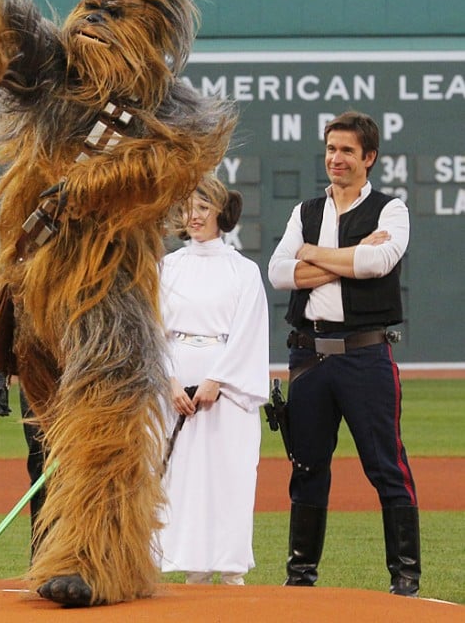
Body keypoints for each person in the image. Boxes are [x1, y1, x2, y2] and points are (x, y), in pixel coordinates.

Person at [267, 110, 420, 597]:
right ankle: (300, 577)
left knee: (385, 465)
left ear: (368, 158)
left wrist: (311, 254)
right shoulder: (305, 211)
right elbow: (277, 273)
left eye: (347, 150)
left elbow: (377, 263)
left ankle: (406, 576)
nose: (336, 158)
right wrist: (345, 260)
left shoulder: (391, 210)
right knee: (307, 467)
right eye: (331, 149)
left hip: (365, 355)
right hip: (310, 358)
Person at [157, 173, 269, 586]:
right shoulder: (167, 267)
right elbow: (154, 330)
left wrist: (217, 380)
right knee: (184, 477)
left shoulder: (243, 271)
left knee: (230, 474)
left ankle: (232, 568)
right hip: (175, 388)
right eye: (188, 207)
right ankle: (194, 565)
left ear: (222, 213)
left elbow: (249, 331)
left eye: (203, 208)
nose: (194, 216)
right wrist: (169, 382)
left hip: (225, 394)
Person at [0, 369, 47, 554]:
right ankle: (42, 557)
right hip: (37, 375)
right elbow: (10, 338)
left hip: (91, 375)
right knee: (42, 468)